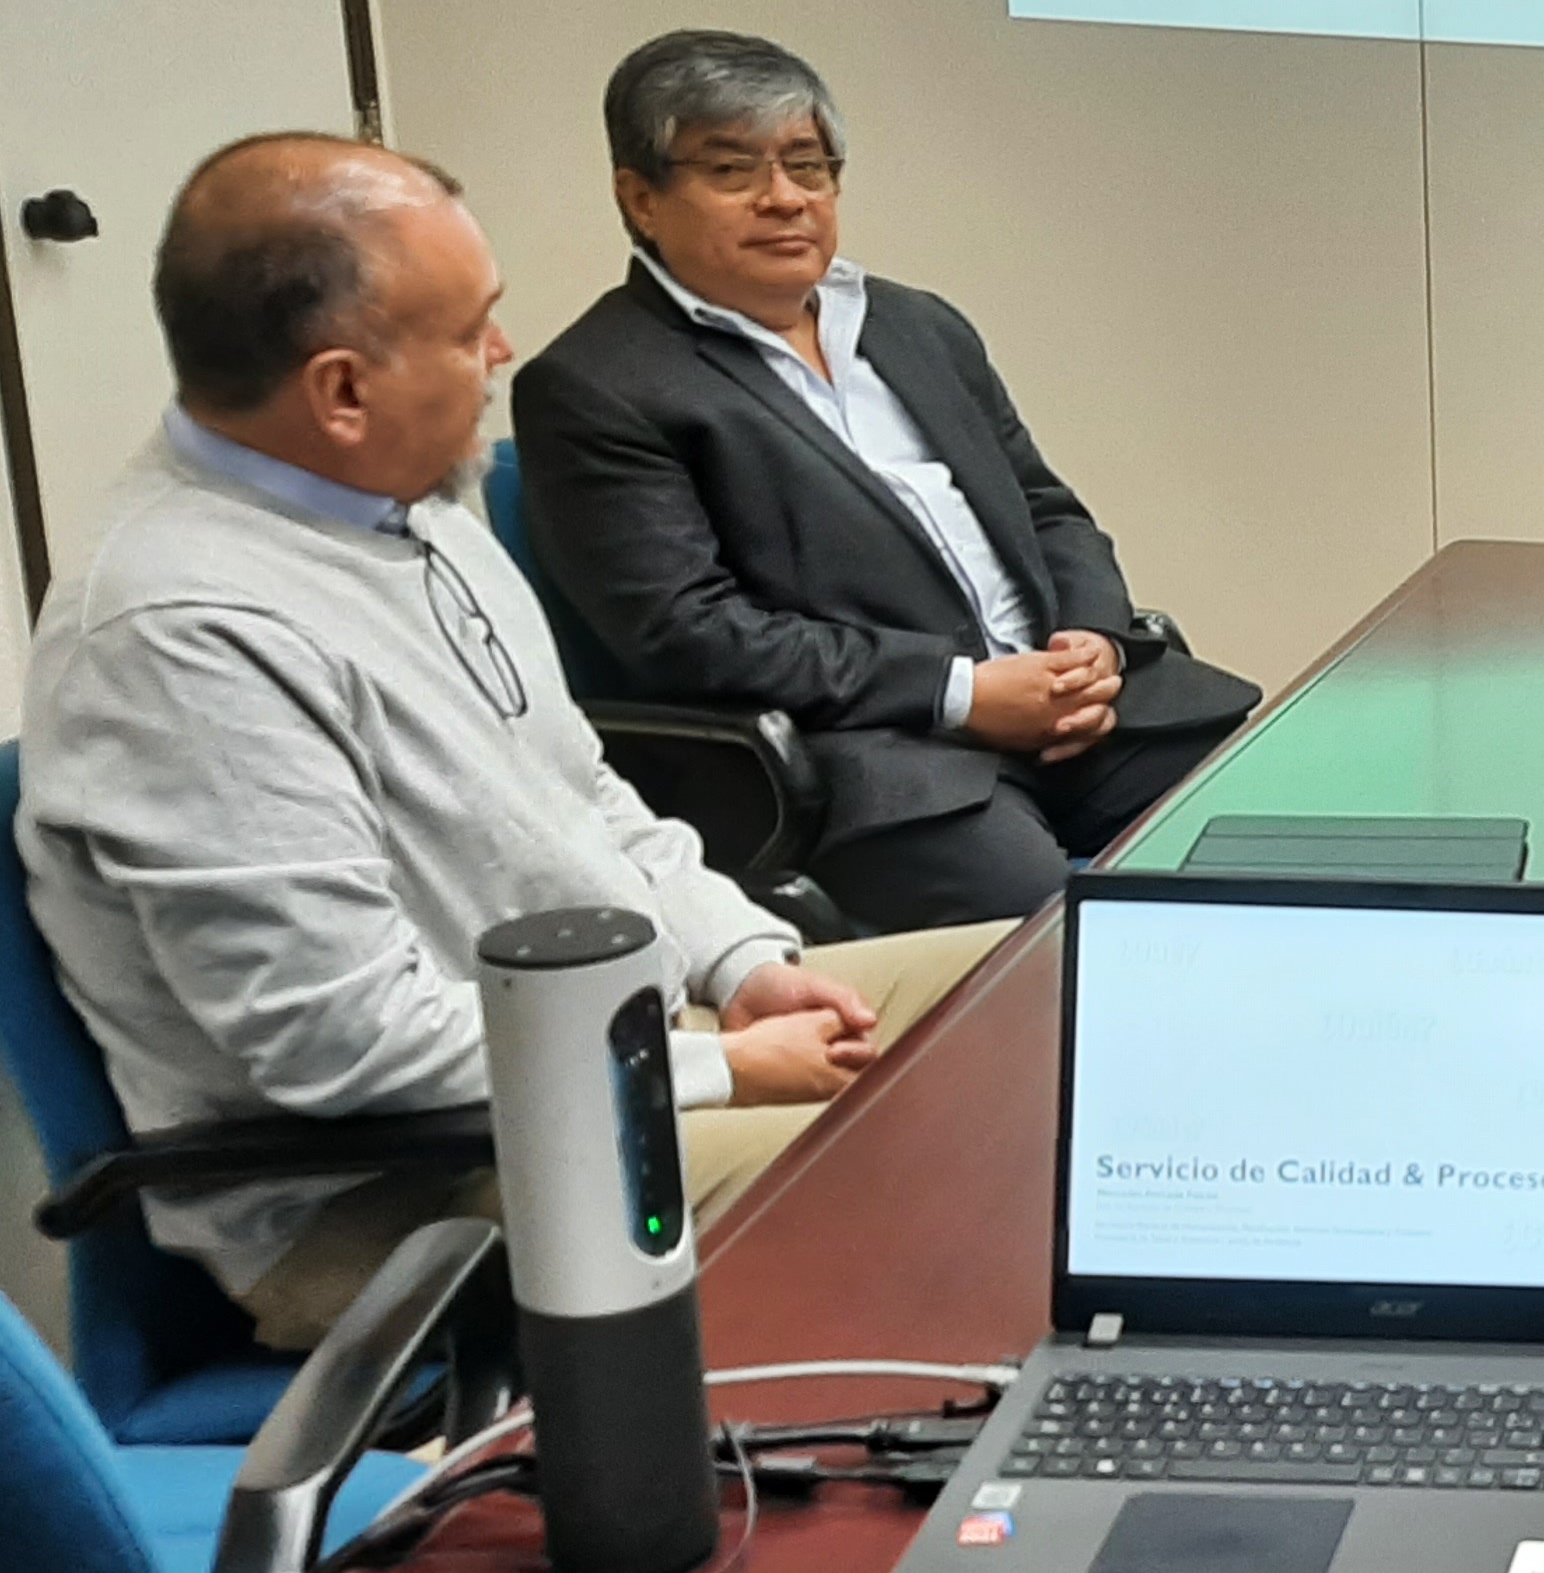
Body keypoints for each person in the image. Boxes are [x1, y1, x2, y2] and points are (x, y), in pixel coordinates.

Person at [17, 135, 1010, 1346]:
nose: (502, 357)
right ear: (341, 391)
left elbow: (581, 795)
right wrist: (713, 1070)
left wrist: (742, 965)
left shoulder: (413, 505)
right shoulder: (178, 637)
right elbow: (346, 1045)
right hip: (409, 1196)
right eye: (469, 330)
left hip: (605, 1049)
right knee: (953, 1176)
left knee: (1053, 1002)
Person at [512, 31, 1259, 932]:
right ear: (641, 198)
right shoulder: (596, 385)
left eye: (807, 165)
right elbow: (689, 635)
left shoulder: (915, 325)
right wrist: (962, 692)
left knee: (1303, 825)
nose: (784, 198)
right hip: (879, 759)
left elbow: (1046, 510)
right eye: (733, 170)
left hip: (1079, 713)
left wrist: (1089, 640)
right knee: (1054, 943)